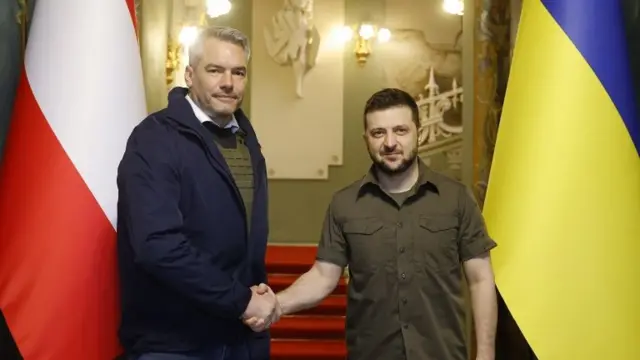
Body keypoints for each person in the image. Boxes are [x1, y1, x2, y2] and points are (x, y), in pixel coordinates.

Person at [248, 88, 498, 360]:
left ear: (418, 131)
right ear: (366, 138)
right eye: (379, 133)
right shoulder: (344, 204)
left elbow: (480, 279)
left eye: (400, 130)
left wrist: (486, 354)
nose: (390, 142)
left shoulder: (456, 198)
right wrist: (276, 304)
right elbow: (322, 277)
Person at [116, 26, 278, 360]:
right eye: (215, 70)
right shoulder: (155, 138)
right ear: (190, 75)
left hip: (241, 338)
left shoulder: (247, 140)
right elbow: (158, 246)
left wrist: (251, 305)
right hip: (175, 344)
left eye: (238, 72)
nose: (228, 82)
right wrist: (241, 299)